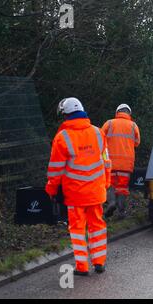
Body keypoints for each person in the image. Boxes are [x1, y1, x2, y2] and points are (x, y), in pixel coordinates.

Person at [46, 98, 111, 276]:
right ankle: (99, 262)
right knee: (97, 226)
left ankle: (82, 267)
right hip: (96, 191)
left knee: (77, 229)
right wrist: (105, 183)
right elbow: (106, 161)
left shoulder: (62, 137)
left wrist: (51, 190)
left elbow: (55, 169)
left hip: (75, 194)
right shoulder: (98, 133)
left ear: (65, 115)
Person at [101, 104, 140, 219]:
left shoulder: (109, 123)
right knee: (122, 187)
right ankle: (121, 212)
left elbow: (100, 139)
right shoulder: (133, 126)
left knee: (110, 185)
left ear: (117, 112)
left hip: (110, 162)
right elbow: (137, 143)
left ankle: (111, 202)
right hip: (126, 164)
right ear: (129, 113)